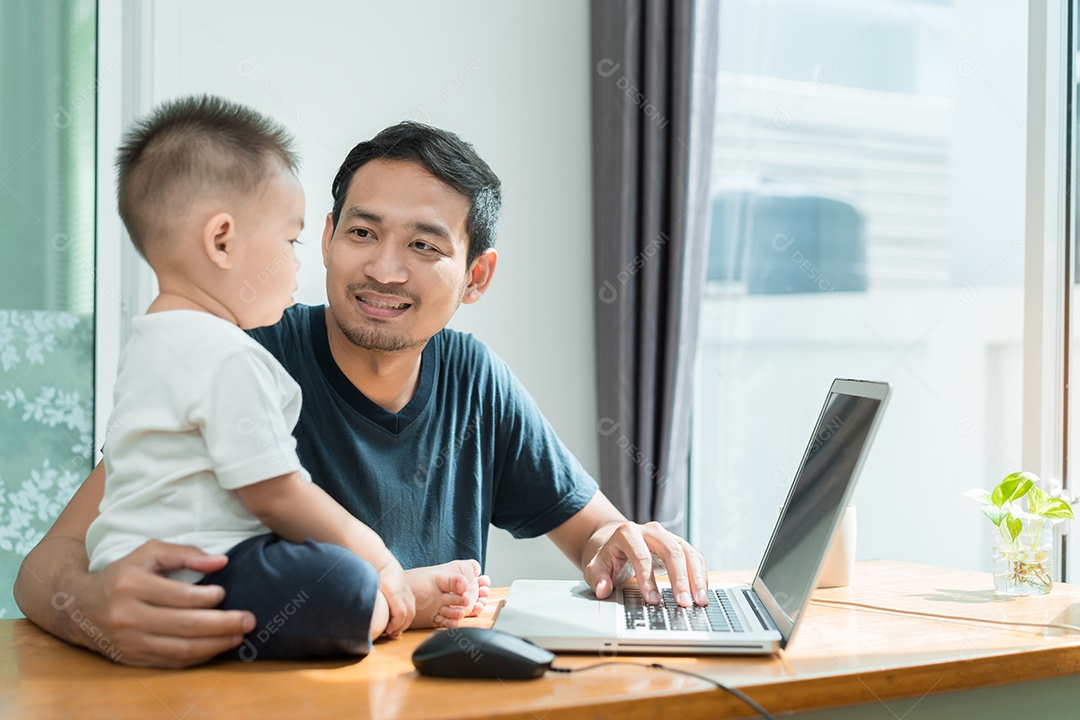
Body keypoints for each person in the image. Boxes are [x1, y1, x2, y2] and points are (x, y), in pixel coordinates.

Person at [14, 117, 709, 669]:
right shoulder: (243, 351)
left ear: (476, 277)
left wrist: (626, 545)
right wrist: (92, 608)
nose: (383, 269)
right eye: (363, 232)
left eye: (424, 247)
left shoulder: (473, 379)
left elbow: (597, 538)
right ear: (322, 239)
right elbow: (49, 563)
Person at [79, 95, 486, 662]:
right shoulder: (229, 355)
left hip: (134, 567)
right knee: (342, 578)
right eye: (288, 240)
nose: (298, 262)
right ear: (222, 241)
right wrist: (378, 557)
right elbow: (276, 491)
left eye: (422, 244)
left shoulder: (153, 341)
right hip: (199, 574)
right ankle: (398, 600)